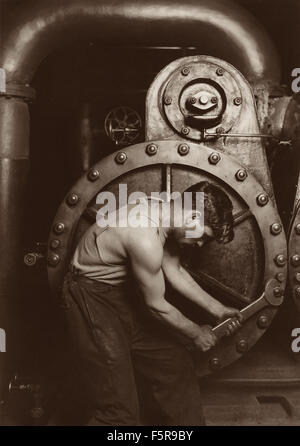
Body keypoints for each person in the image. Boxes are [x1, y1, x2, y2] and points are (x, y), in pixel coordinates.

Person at [61, 180, 242, 426]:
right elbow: (156, 305)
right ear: (191, 217)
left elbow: (173, 268)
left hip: (122, 293)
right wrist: (195, 333)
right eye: (203, 236)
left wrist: (217, 309)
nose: (200, 244)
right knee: (118, 410)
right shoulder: (143, 236)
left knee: (173, 364)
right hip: (91, 298)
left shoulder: (164, 213)